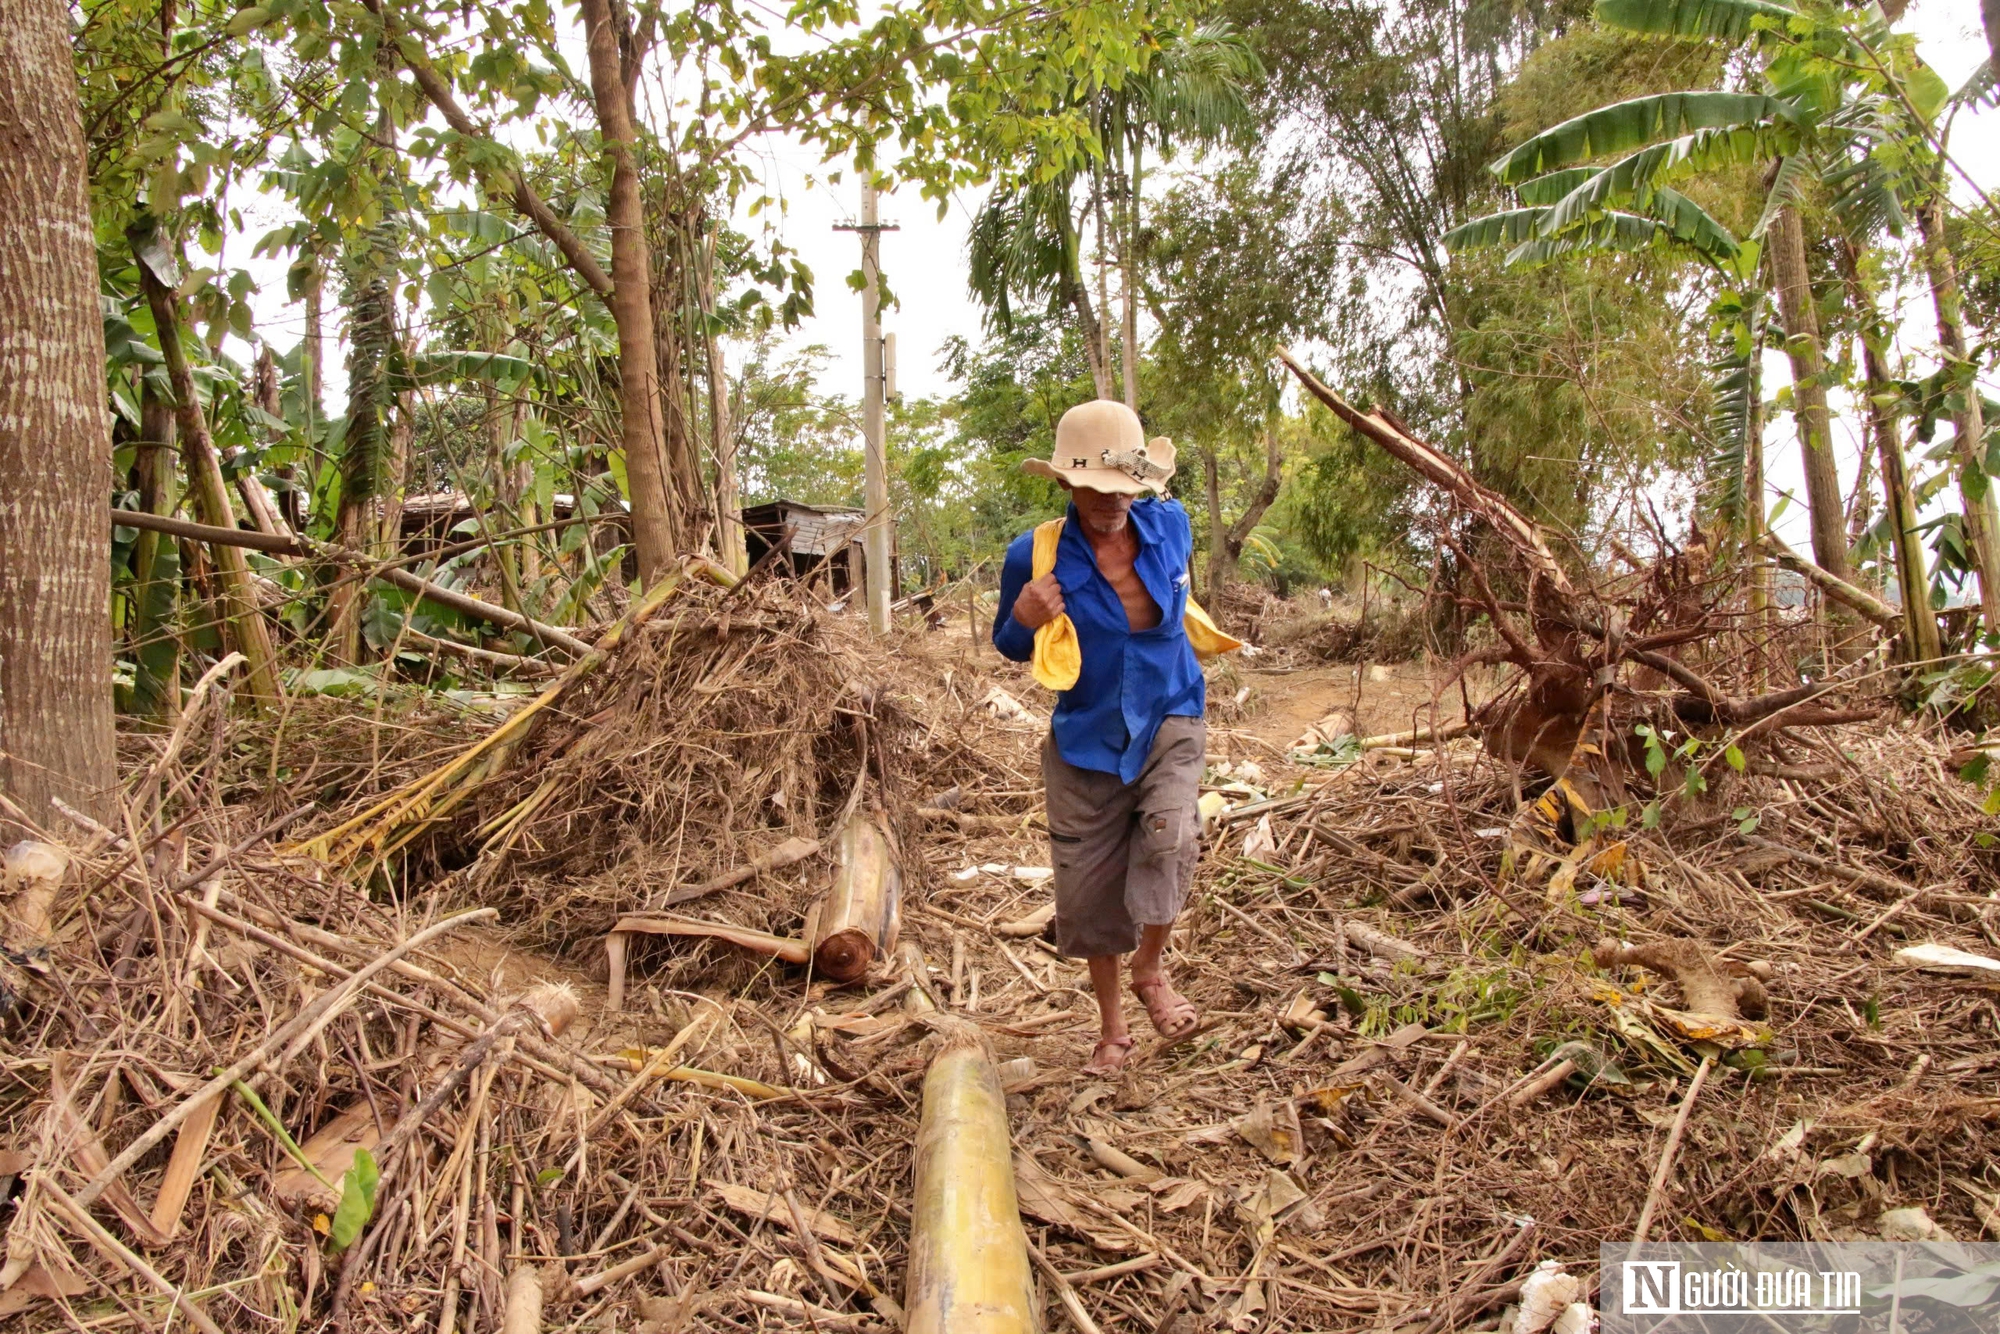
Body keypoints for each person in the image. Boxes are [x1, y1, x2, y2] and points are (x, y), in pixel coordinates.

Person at [991, 400, 1208, 1077]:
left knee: (1172, 835)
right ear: (1066, 485)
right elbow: (1007, 644)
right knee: (1088, 891)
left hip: (1172, 712)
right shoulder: (1034, 553)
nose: (1110, 505)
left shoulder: (1171, 526)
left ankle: (1151, 969)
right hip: (1086, 736)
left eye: (1123, 491)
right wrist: (1025, 617)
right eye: (1094, 491)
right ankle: (1113, 1031)